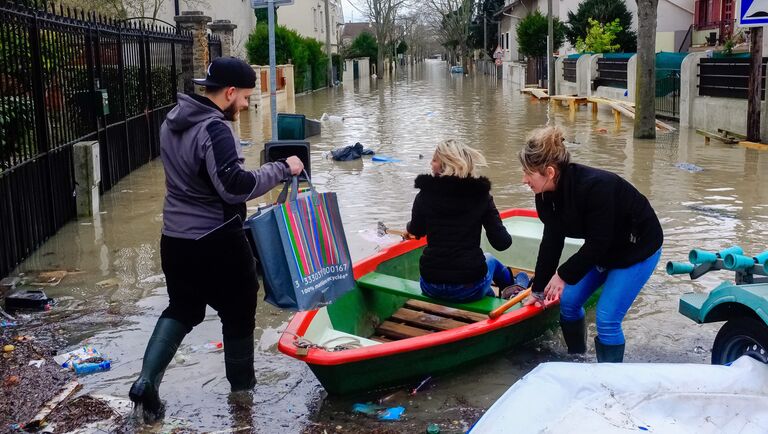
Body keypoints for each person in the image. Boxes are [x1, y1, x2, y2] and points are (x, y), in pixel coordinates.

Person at [128, 57, 304, 421]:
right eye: (244, 97)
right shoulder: (215, 129)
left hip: (174, 240)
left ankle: (147, 382)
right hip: (217, 242)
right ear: (228, 92)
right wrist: (283, 168)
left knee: (182, 308)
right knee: (239, 313)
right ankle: (243, 400)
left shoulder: (172, 123)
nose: (244, 104)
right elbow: (233, 187)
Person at [520, 126, 663, 363]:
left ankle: (608, 382)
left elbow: (599, 241)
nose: (524, 179)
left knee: (606, 320)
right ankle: (577, 359)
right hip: (604, 247)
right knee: (568, 302)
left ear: (550, 171)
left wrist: (563, 275)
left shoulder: (596, 187)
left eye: (528, 173)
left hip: (638, 247)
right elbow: (551, 241)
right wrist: (539, 288)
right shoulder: (544, 194)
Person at [406, 140, 527, 303]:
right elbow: (502, 243)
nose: (430, 163)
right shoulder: (480, 196)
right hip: (468, 287)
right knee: (490, 259)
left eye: (434, 159)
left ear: (445, 164)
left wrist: (410, 227)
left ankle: (499, 291)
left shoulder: (424, 195)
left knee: (484, 274)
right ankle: (513, 288)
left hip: (430, 285)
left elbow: (417, 230)